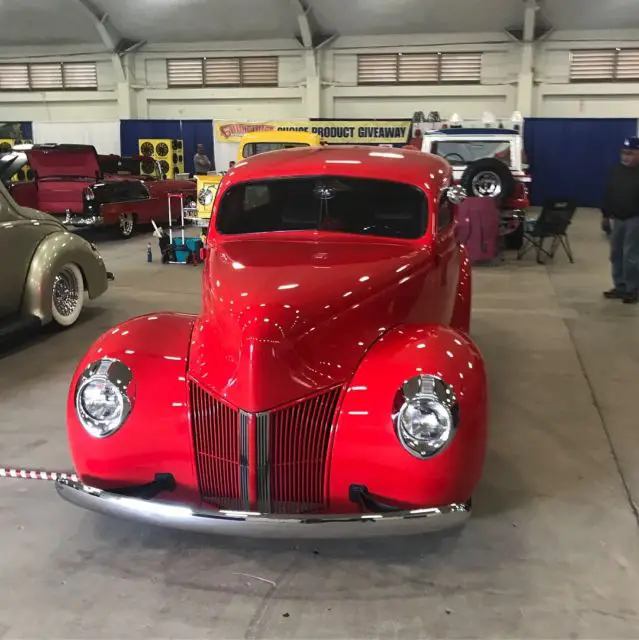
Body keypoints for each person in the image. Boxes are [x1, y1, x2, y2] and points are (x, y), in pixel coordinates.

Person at [602, 136, 639, 304]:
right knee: (616, 253)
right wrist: (605, 214)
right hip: (618, 218)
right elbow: (610, 192)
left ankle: (633, 288)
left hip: (635, 218)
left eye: (630, 153)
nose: (625, 157)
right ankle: (620, 286)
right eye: (623, 153)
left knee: (631, 255)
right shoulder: (617, 170)